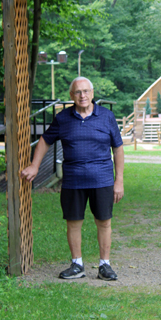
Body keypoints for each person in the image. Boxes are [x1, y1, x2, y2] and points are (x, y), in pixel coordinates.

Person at [21, 77, 124, 281]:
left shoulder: (106, 116)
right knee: (73, 222)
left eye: (86, 91)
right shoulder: (63, 118)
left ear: (92, 93)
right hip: (73, 180)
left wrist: (118, 180)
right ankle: (77, 264)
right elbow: (45, 140)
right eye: (78, 92)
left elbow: (118, 148)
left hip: (102, 179)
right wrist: (34, 165)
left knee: (104, 222)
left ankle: (105, 265)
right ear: (71, 96)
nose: (82, 95)